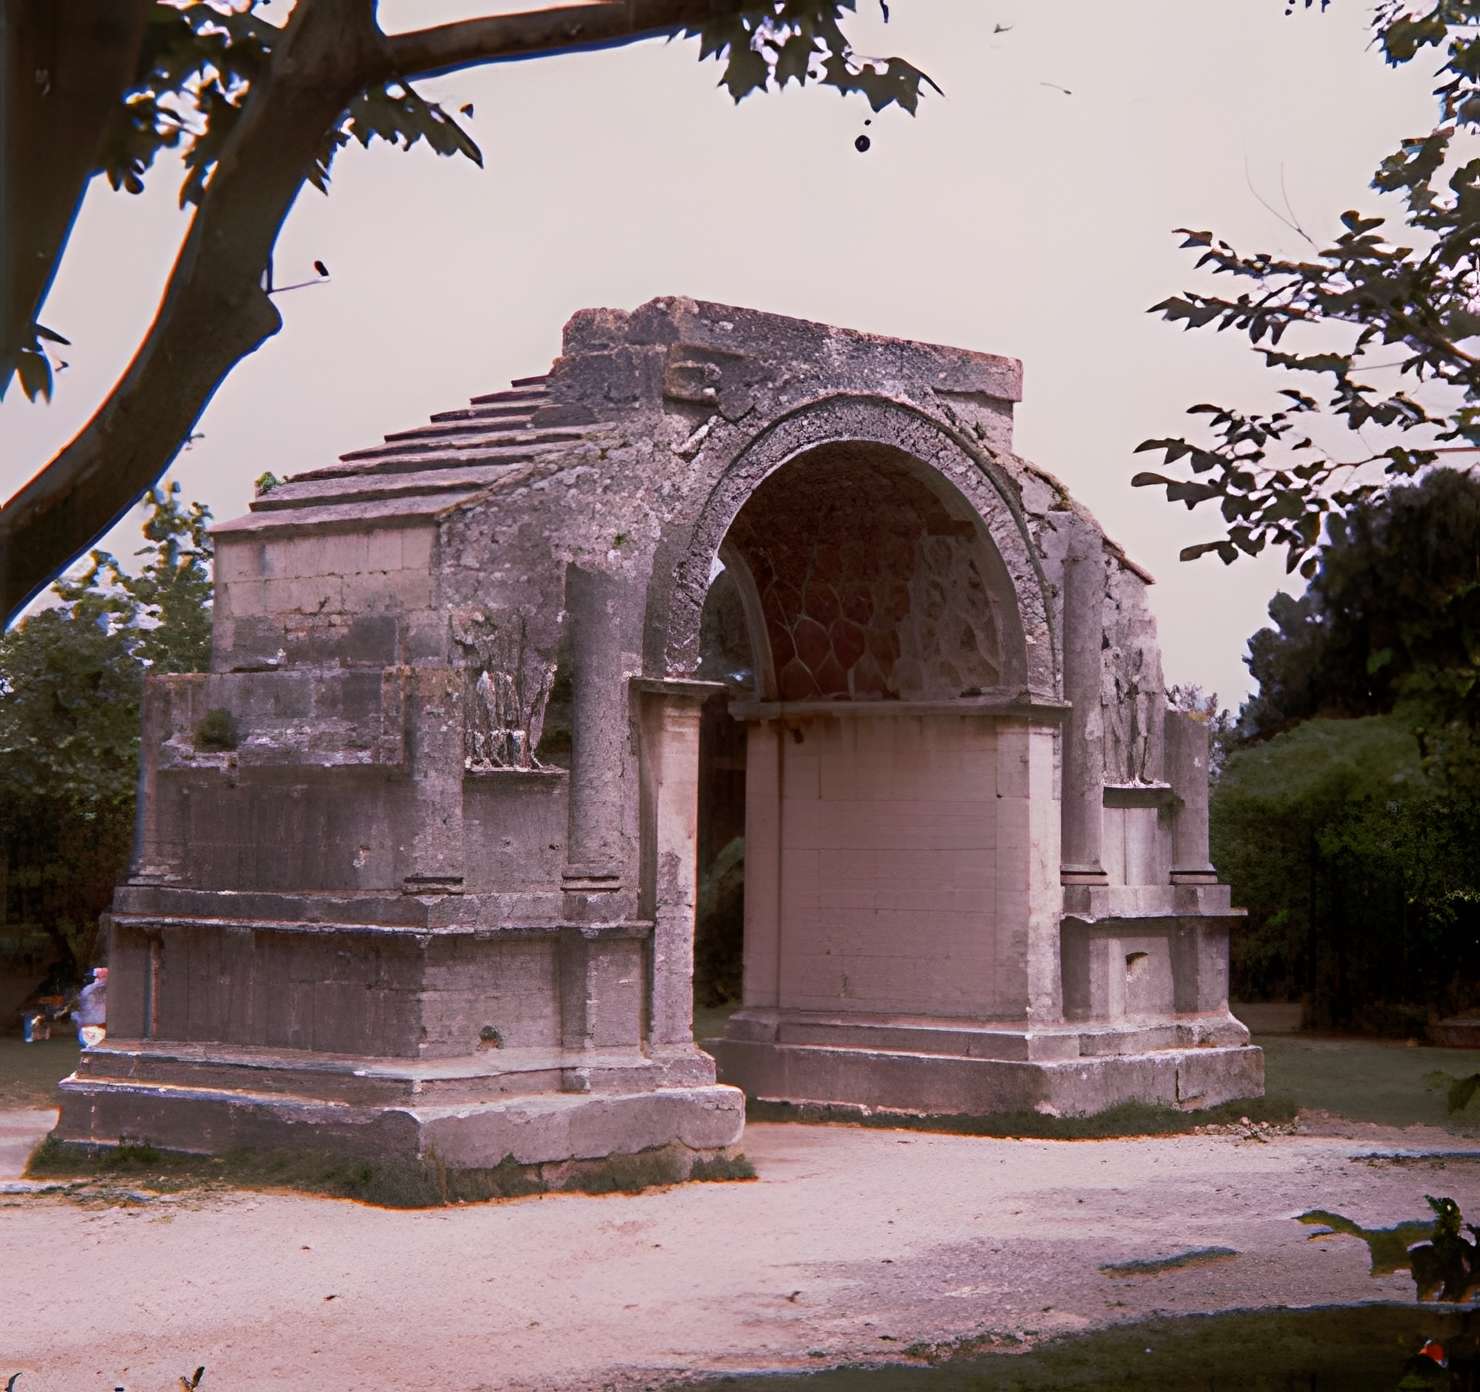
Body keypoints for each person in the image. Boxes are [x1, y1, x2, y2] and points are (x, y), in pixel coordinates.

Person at [72, 966, 108, 1048]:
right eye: (101, 977)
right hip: (92, 1030)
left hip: (94, 1030)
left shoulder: (88, 990)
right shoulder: (89, 990)